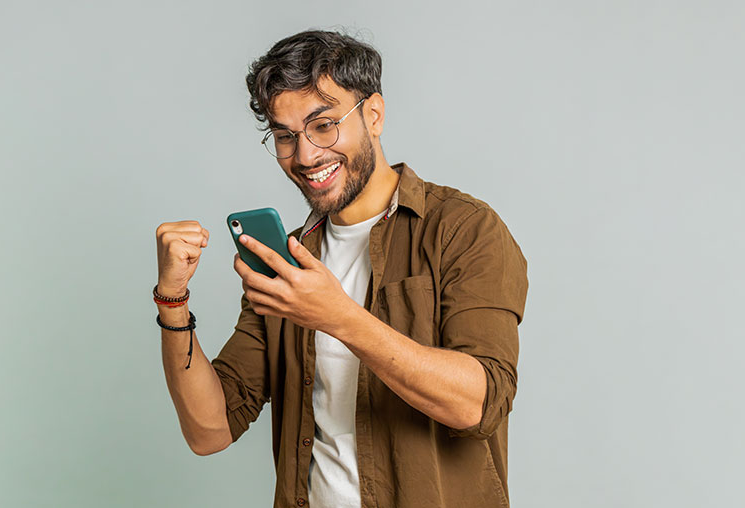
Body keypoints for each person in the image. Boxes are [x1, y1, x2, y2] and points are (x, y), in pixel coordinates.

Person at [154, 30, 528, 508]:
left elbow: (480, 402)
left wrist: (337, 316)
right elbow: (210, 429)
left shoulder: (464, 230)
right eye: (285, 136)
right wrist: (173, 299)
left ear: (373, 115)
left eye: (324, 125)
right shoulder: (287, 263)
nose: (305, 156)